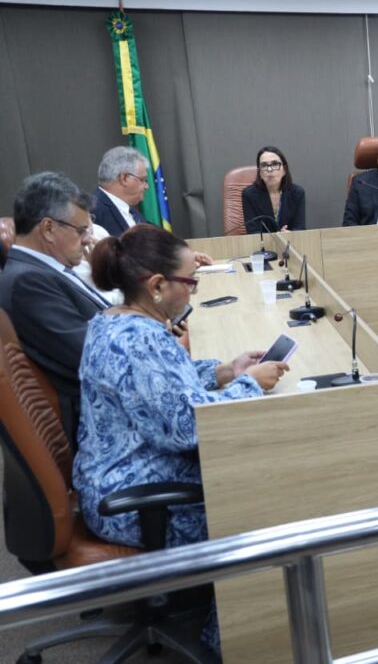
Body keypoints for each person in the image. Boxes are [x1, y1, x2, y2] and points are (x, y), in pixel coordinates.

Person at [74, 224, 289, 548]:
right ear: (158, 285)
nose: (194, 291)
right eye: (191, 281)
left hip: (118, 476)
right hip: (135, 499)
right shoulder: (140, 340)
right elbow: (187, 428)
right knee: (274, 488)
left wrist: (226, 371)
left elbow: (162, 386)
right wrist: (250, 384)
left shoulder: (113, 320)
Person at [0, 172, 107, 443]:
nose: (87, 239)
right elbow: (96, 356)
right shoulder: (27, 282)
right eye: (81, 230)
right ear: (48, 228)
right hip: (102, 422)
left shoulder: (46, 271)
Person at [242, 145, 306, 232]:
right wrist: (276, 237)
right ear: (259, 172)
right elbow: (253, 232)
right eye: (264, 165)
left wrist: (290, 234)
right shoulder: (249, 194)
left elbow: (300, 229)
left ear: (284, 170)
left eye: (275, 164)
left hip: (288, 240)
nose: (269, 169)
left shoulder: (297, 193)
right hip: (261, 241)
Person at [93, 146, 151, 237]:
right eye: (143, 180)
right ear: (124, 178)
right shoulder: (94, 211)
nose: (147, 187)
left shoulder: (133, 213)